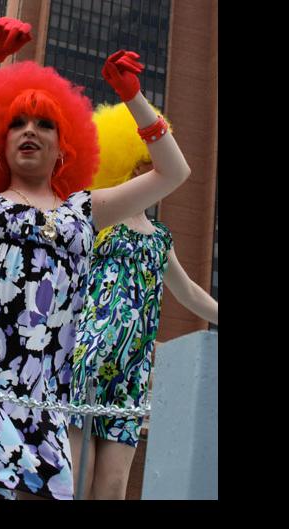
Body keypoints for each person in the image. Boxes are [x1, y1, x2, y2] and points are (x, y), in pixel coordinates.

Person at [0, 16, 191, 500]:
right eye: (17, 123)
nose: (29, 131)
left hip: (41, 395)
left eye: (44, 124)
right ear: (0, 140)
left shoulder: (85, 212)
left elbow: (173, 172)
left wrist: (134, 98)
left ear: (63, 147)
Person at [68, 103, 218, 500]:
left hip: (132, 371)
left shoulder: (160, 237)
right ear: (131, 166)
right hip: (86, 359)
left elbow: (187, 291)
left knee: (114, 485)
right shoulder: (97, 217)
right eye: (145, 164)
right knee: (78, 476)